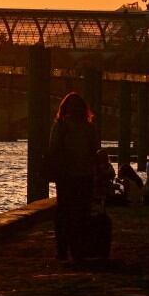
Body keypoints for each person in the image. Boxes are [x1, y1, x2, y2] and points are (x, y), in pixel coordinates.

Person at [46, 92, 99, 260]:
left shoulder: (60, 127)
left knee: (64, 211)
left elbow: (53, 150)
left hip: (66, 175)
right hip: (84, 175)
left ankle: (63, 248)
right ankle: (79, 248)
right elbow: (94, 151)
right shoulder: (89, 128)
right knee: (82, 211)